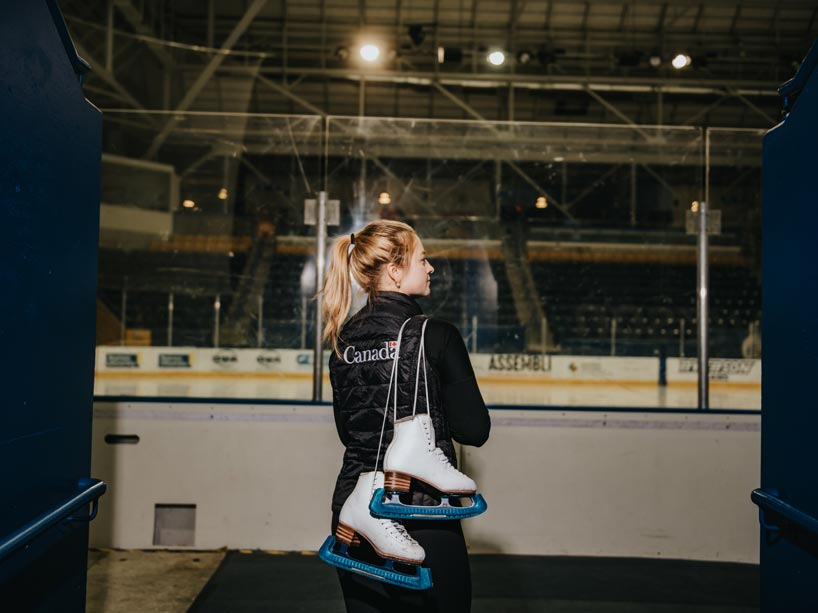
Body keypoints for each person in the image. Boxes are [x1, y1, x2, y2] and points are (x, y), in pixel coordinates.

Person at [321, 219, 491, 612]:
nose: (431, 268)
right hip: (418, 511)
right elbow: (474, 430)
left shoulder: (342, 340)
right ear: (395, 271)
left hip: (354, 510)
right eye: (423, 259)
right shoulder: (436, 333)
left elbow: (350, 433)